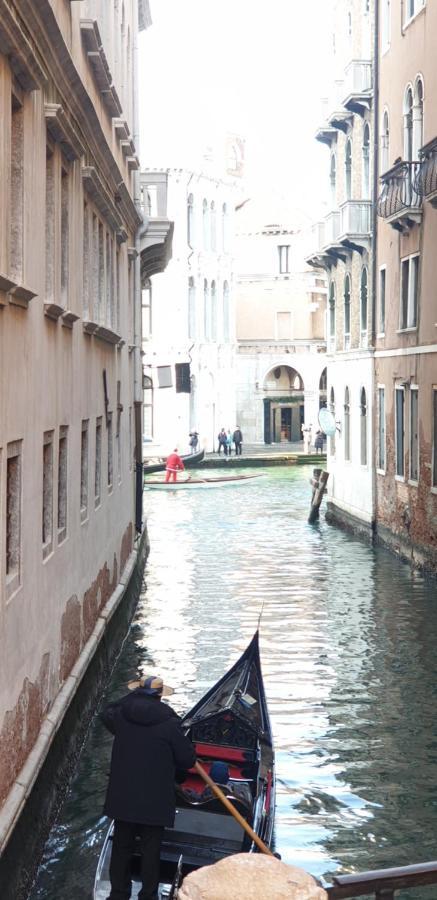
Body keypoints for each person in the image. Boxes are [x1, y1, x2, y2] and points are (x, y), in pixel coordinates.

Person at [101, 674, 196, 900]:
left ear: (136, 694)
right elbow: (188, 761)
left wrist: (131, 697)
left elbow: (106, 711)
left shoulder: (121, 718)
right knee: (150, 851)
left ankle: (118, 895)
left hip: (123, 797)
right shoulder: (170, 724)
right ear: (160, 697)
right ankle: (148, 896)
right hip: (154, 801)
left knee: (121, 848)